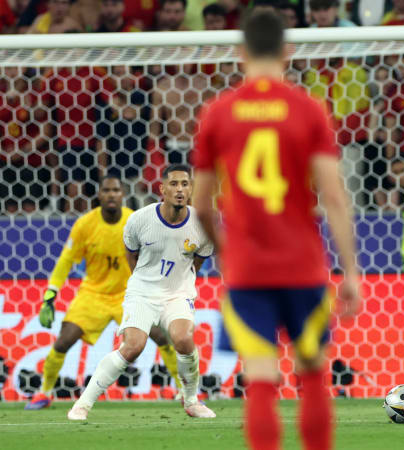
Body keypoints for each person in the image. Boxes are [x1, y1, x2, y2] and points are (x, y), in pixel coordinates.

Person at [191, 11, 361, 450]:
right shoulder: (307, 110)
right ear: (288, 52)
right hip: (303, 265)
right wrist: (351, 272)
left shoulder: (219, 113)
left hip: (249, 270)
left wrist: (226, 247)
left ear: (241, 53)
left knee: (262, 379)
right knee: (311, 373)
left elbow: (201, 204)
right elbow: (334, 198)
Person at [67, 164, 215, 420]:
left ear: (191, 189)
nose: (180, 189)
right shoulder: (139, 220)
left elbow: (196, 263)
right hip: (143, 292)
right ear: (162, 189)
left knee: (183, 340)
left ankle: (191, 401)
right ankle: (82, 404)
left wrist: (178, 283)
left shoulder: (202, 224)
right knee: (133, 346)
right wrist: (146, 282)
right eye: (174, 184)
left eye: (185, 184)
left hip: (178, 293)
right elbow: (131, 257)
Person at [25, 175, 181, 410]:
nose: (111, 194)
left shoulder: (135, 220)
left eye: (116, 190)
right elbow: (65, 261)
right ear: (99, 195)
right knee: (64, 340)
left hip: (130, 294)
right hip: (93, 295)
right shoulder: (85, 225)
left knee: (162, 336)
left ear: (122, 194)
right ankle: (44, 392)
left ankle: (184, 390)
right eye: (106, 190)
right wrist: (50, 294)